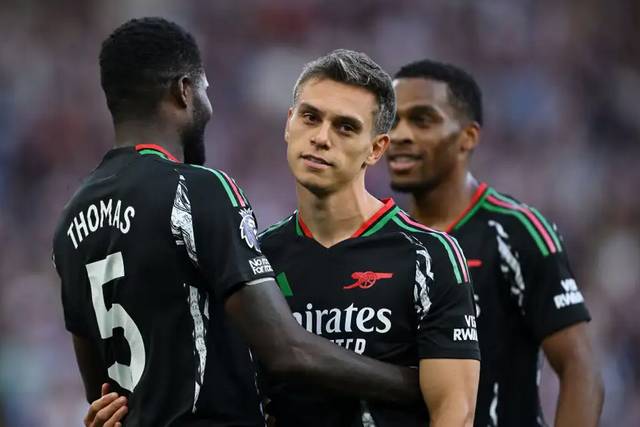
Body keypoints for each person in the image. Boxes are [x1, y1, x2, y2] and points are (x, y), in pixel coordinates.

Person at [53, 18, 423, 427]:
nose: (209, 108)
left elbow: (101, 393)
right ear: (183, 91)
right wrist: (416, 385)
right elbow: (286, 350)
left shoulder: (70, 221)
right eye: (205, 90)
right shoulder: (197, 189)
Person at [256, 50, 480, 426]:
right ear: (289, 124)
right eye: (310, 117)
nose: (321, 138)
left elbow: (454, 410)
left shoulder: (429, 255)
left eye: (345, 127)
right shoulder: (257, 257)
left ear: (376, 149)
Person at [386, 59, 604, 426]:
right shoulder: (382, 241)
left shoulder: (516, 232)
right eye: (392, 121)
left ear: (468, 137)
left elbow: (580, 368)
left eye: (422, 120)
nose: (400, 135)